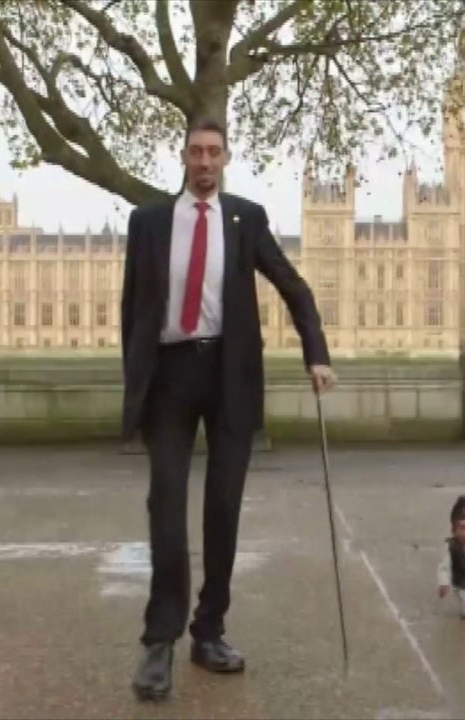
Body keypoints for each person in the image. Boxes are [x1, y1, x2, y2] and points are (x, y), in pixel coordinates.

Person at [121, 115, 336, 702]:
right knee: (166, 504)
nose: (206, 162)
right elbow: (133, 311)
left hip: (229, 374)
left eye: (215, 152)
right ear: (183, 157)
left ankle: (209, 630)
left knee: (223, 507)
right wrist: (134, 383)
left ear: (227, 157)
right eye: (197, 151)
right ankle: (159, 639)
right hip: (169, 374)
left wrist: (315, 353)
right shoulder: (148, 221)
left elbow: (293, 285)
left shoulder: (246, 218)